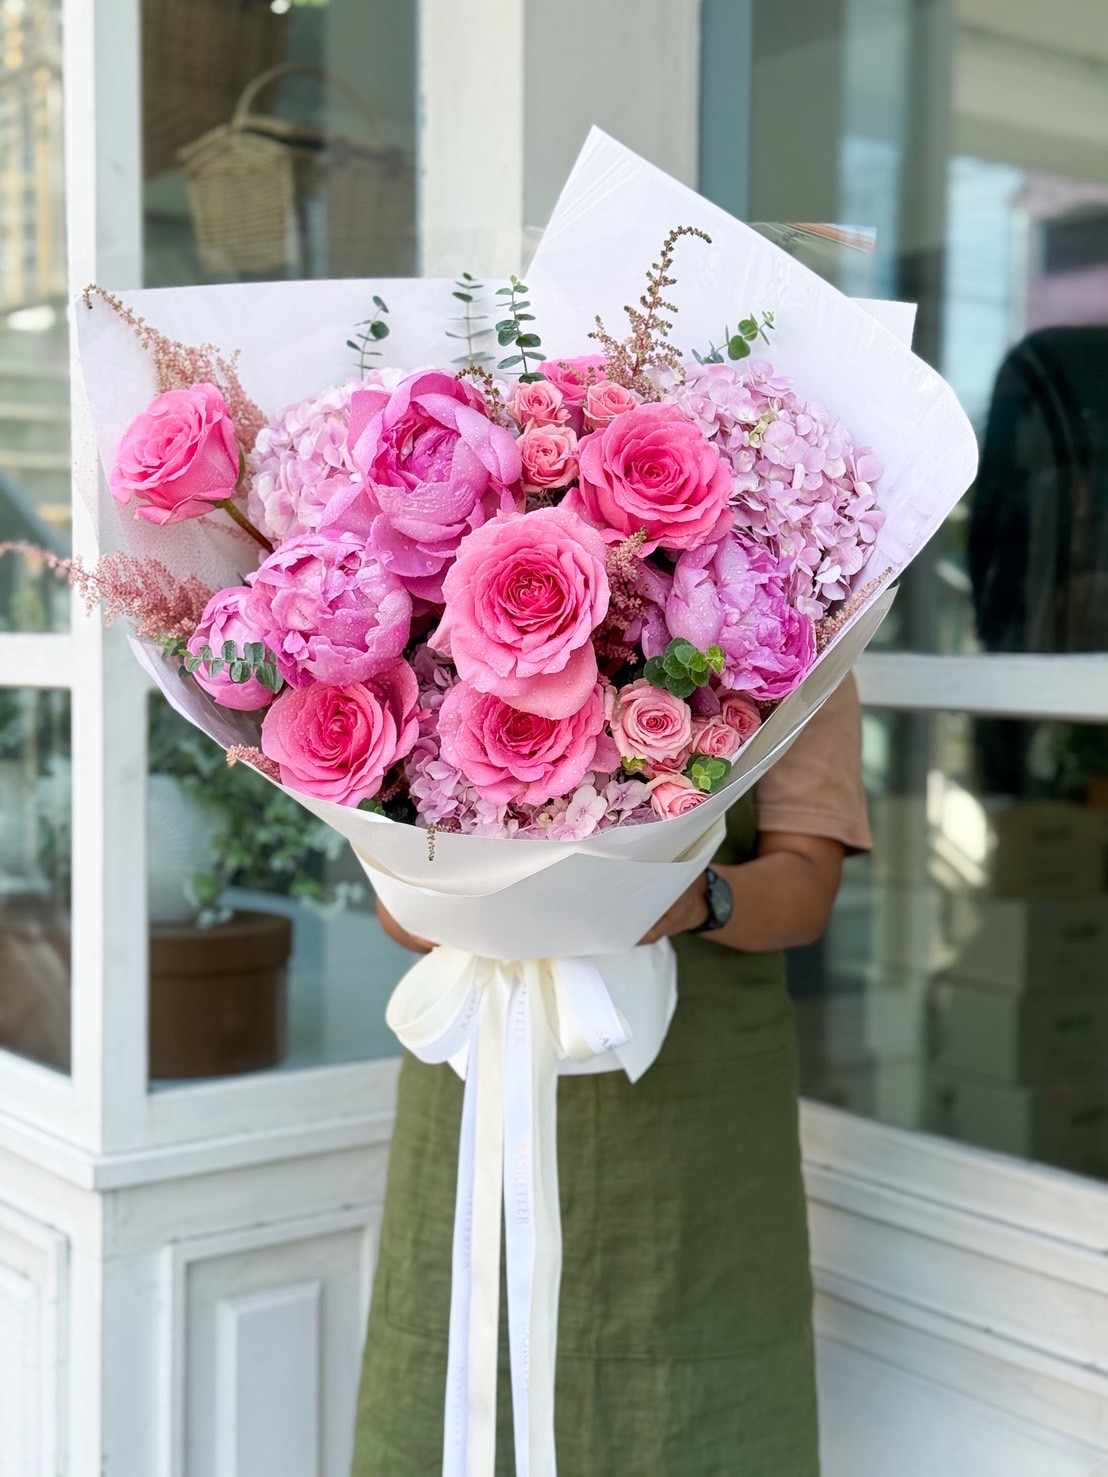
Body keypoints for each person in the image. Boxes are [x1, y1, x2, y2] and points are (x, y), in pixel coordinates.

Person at [353, 676, 872, 1477]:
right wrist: (477, 891)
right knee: (457, 1369)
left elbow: (806, 887)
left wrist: (694, 897)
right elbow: (398, 915)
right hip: (486, 1074)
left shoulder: (796, 625)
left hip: (699, 1106)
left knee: (706, 1411)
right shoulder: (441, 627)